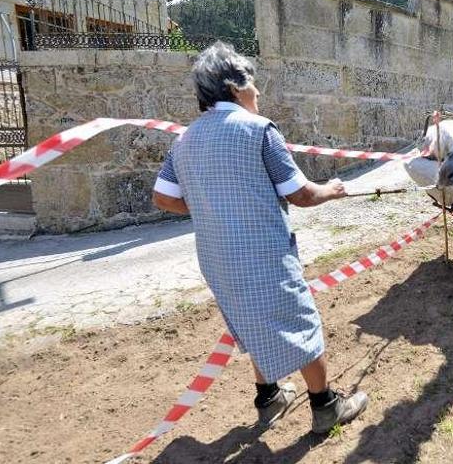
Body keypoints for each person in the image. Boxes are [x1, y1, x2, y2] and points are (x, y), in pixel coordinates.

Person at [152, 42, 368, 434]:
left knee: (251, 320)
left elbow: (163, 197)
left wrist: (208, 208)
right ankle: (325, 407)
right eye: (252, 83)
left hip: (216, 257)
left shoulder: (184, 140)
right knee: (300, 319)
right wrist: (333, 189)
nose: (258, 92)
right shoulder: (259, 130)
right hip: (263, 252)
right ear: (235, 87)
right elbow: (301, 195)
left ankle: (269, 397)